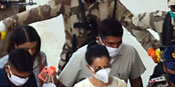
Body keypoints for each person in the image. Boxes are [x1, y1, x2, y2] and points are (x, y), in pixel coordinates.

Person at [0, 0, 135, 73]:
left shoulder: (111, 3)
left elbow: (133, 24)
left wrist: (151, 47)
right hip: (72, 58)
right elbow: (39, 12)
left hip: (101, 62)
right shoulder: (66, 1)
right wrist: (6, 23)